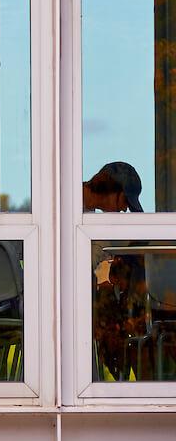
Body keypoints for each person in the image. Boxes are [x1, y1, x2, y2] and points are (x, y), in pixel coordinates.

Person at [85, 161, 148, 379]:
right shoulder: (67, 205)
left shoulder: (88, 212)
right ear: (114, 192)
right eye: (125, 202)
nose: (123, 209)